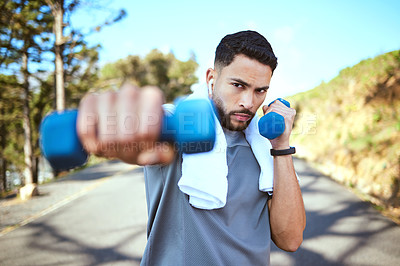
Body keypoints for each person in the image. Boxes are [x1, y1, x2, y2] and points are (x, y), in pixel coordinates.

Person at [77, 30, 306, 265]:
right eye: (238, 85)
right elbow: (146, 127)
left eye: (260, 91)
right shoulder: (176, 125)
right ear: (211, 78)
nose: (248, 103)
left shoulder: (264, 145)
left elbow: (290, 240)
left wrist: (281, 146)